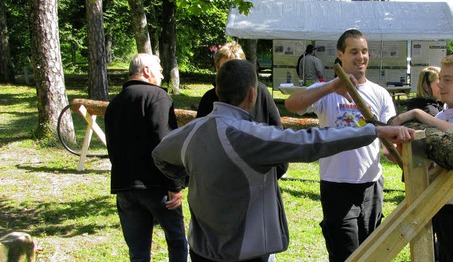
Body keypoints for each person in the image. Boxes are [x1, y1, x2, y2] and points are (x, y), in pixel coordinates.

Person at [151, 59, 415, 262]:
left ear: (217, 90)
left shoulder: (191, 131)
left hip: (200, 250)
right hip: (245, 253)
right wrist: (374, 130)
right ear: (253, 94)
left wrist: (187, 178)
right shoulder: (250, 135)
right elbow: (312, 142)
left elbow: (160, 155)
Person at [284, 29, 397, 262]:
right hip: (336, 184)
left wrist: (399, 156)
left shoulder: (380, 94)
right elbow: (292, 104)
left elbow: (387, 142)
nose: (361, 57)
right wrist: (332, 87)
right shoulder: (328, 91)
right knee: (345, 254)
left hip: (371, 184)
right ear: (340, 55)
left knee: (371, 251)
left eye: (364, 51)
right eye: (354, 51)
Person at [390, 53, 453, 262]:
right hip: (444, 204)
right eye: (440, 78)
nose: (440, 84)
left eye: (447, 79)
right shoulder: (441, 115)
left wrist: (417, 114)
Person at [104, 53, 188, 262]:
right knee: (177, 241)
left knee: (138, 253)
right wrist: (175, 184)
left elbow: (112, 148)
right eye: (159, 68)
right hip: (156, 186)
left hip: (124, 186)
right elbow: (166, 143)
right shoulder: (157, 97)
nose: (161, 73)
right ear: (146, 71)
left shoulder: (114, 103)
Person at [195, 41, 287, 178]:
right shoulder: (209, 98)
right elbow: (200, 140)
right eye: (226, 68)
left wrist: (276, 169)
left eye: (236, 68)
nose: (232, 75)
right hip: (221, 177)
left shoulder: (259, 92)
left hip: (259, 174)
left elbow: (277, 131)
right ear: (218, 70)